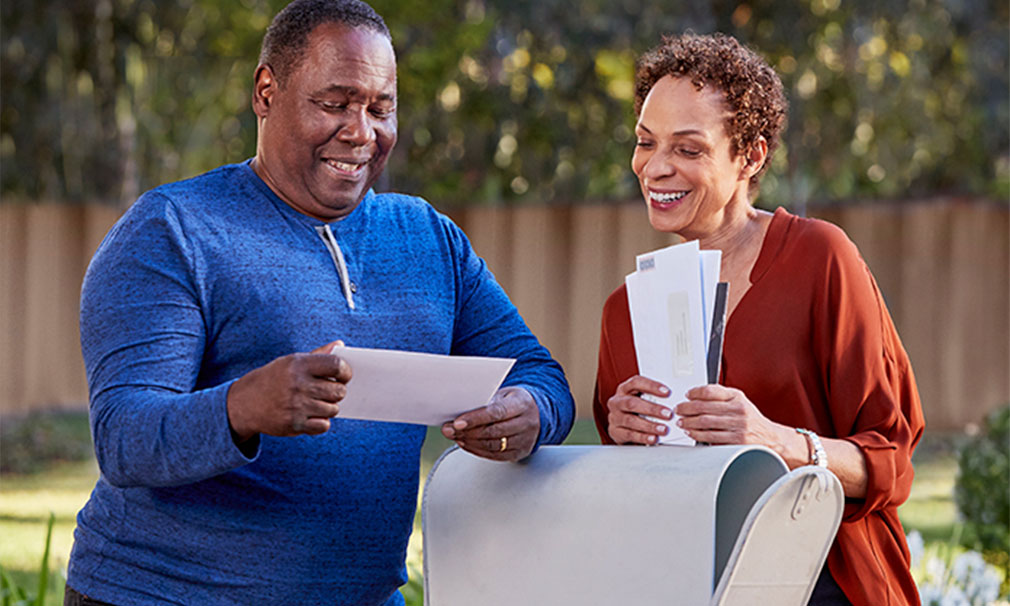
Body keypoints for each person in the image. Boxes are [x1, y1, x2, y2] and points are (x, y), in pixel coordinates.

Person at [65, 1, 574, 604]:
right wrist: (243, 406)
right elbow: (125, 438)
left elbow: (541, 376)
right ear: (265, 92)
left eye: (380, 109)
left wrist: (529, 413)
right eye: (335, 104)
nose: (361, 132)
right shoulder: (174, 229)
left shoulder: (428, 238)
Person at [593, 33, 924, 606]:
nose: (656, 167)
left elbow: (890, 464)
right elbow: (637, 498)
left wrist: (775, 441)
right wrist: (623, 438)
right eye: (646, 142)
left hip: (828, 580)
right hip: (691, 584)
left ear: (751, 156)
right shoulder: (625, 309)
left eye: (689, 150)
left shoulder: (821, 259)